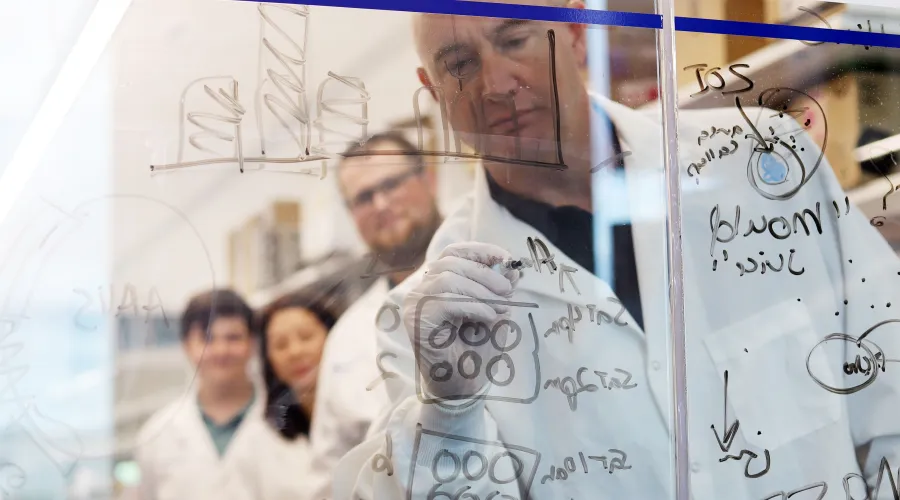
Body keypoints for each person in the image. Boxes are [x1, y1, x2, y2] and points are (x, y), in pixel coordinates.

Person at [333, 1, 900, 499]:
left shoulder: (757, 161)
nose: (497, 83)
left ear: (577, 33)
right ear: (432, 91)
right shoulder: (431, 324)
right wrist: (449, 412)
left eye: (514, 39)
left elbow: (889, 379)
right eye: (459, 64)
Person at [307, 131, 442, 499]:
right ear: (352, 214)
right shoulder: (346, 338)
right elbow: (328, 478)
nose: (381, 203)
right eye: (364, 197)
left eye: (392, 184)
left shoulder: (505, 272)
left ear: (429, 179)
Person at [135, 289, 261, 500]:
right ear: (186, 346)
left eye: (233, 338)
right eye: (208, 338)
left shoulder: (289, 422)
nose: (222, 350)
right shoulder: (156, 436)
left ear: (253, 343)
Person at [239, 287, 340, 499]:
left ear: (335, 336)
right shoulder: (258, 438)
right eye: (280, 344)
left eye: (306, 336)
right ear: (269, 360)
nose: (295, 352)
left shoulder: (366, 412)